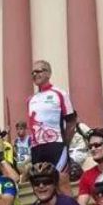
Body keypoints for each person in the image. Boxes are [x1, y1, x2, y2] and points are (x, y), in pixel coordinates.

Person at [27, 59, 78, 190]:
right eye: (32, 72)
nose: (35, 74)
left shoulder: (59, 93)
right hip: (37, 148)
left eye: (38, 71)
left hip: (56, 145)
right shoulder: (31, 99)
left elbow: (71, 121)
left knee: (62, 183)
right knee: (42, 186)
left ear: (48, 73)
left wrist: (65, 144)